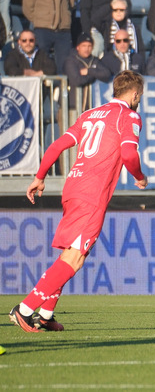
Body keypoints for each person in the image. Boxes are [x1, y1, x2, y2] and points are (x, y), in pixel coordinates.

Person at [8, 70, 147, 333]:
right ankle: (25, 309)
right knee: (74, 258)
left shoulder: (88, 115)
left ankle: (46, 314)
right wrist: (139, 176)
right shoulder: (128, 116)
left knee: (74, 254)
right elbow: (129, 153)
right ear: (135, 93)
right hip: (92, 193)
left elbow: (57, 145)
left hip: (73, 187)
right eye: (140, 95)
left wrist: (40, 177)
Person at [22, 0, 74, 74]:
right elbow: (27, 6)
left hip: (63, 29)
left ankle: (62, 85)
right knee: (39, 63)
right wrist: (39, 19)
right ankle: (41, 85)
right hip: (42, 29)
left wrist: (65, 16)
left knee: (65, 65)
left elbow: (71, 3)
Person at [63, 33, 112, 111]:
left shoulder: (95, 60)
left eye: (89, 46)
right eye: (84, 46)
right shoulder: (70, 61)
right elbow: (77, 81)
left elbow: (106, 74)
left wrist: (89, 71)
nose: (87, 49)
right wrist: (94, 76)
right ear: (78, 47)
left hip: (89, 107)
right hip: (71, 107)